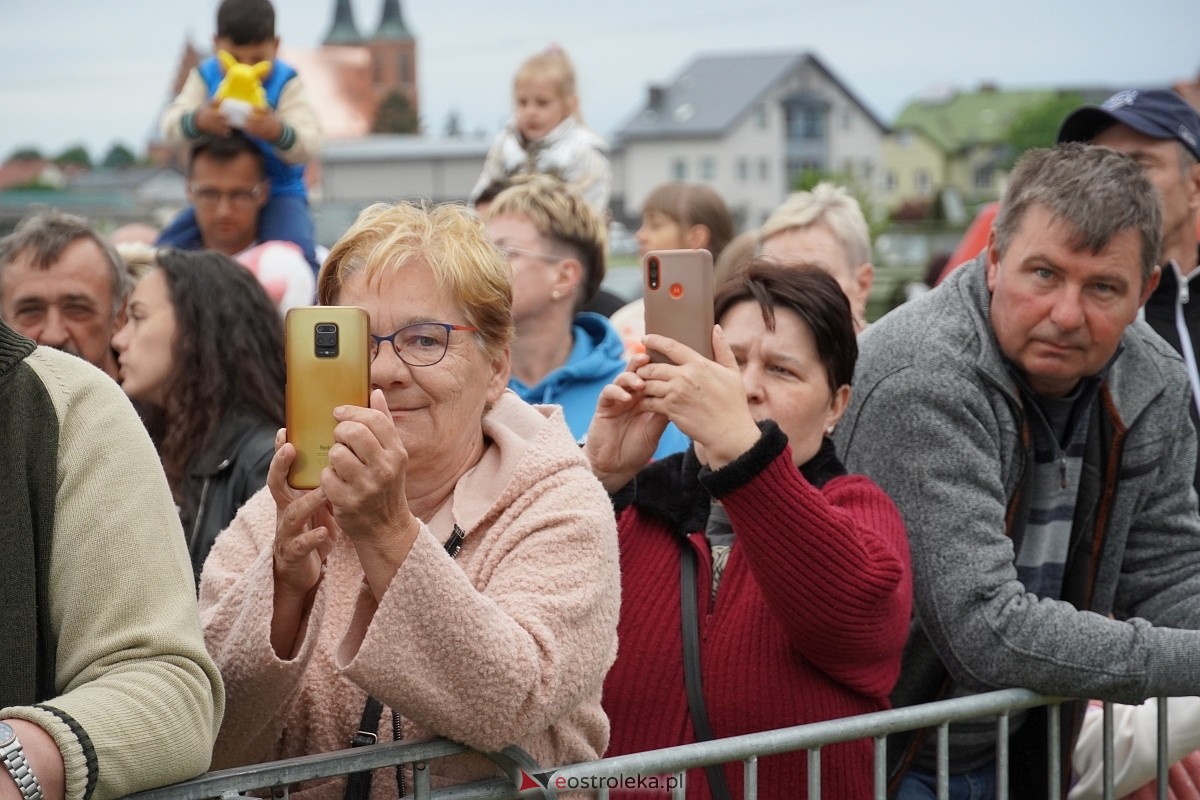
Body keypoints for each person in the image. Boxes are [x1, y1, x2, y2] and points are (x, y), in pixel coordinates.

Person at [199, 201, 619, 796]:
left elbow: (512, 705)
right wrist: (284, 592)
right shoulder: (284, 505)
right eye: (358, 344)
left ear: (496, 367)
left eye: (425, 340)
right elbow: (206, 728)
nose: (386, 371)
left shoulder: (556, 502)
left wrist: (388, 532)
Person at [833, 143, 1200, 800]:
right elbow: (985, 627)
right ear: (995, 258)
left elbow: (1168, 574)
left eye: (1102, 288)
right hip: (877, 755)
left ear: (1145, 291)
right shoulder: (922, 378)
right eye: (1044, 274)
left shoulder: (1151, 380)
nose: (1066, 314)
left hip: (1021, 746)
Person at [590, 261, 911, 799]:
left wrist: (744, 454)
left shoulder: (859, 509)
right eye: (730, 361)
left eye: (782, 370)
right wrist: (597, 479)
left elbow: (862, 620)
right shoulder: (639, 502)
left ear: (836, 405)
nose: (745, 387)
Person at [0, 316, 224, 799]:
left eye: (137, 316)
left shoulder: (66, 408)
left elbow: (173, 687)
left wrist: (20, 758)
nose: (122, 338)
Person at [1057, 88, 1200, 491]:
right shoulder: (1063, 318)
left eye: (1138, 165)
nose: (1113, 186)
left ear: (1195, 184)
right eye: (1099, 166)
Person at [485, 175, 688, 458]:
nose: (482, 266)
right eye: (481, 251)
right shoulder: (467, 385)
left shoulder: (633, 397)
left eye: (503, 252)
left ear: (564, 277)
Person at [111, 248, 284, 581]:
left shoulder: (262, 463)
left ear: (195, 329)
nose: (119, 339)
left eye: (138, 317)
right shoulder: (144, 446)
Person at [158, 0, 321, 273]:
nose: (244, 69)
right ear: (215, 45)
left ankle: (312, 295)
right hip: (220, 190)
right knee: (165, 249)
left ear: (276, 46)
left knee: (296, 259)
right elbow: (170, 126)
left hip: (279, 191)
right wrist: (198, 120)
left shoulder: (286, 82)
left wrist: (277, 131)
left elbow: (310, 143)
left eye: (257, 60)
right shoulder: (205, 76)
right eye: (233, 59)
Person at [178, 133, 315, 310]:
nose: (224, 210)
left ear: (263, 192)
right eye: (209, 194)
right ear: (189, 190)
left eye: (239, 195)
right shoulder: (160, 271)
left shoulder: (305, 268)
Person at [469, 45, 611, 215]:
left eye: (542, 103)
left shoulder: (584, 150)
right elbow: (481, 197)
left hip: (562, 230)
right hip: (504, 228)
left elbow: (587, 211)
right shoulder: (505, 144)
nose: (531, 111)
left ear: (569, 105)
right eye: (522, 102)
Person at [609, 181, 736, 359]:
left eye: (655, 225)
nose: (640, 236)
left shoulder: (736, 320)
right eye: (642, 224)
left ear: (696, 237)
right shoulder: (624, 322)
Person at [0, 210, 129, 380]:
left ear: (119, 315)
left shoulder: (155, 394)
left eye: (77, 309)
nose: (53, 336)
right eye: (30, 311)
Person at [759, 182, 875, 332]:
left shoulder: (894, 346)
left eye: (813, 279)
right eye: (769, 281)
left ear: (862, 284)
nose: (788, 294)